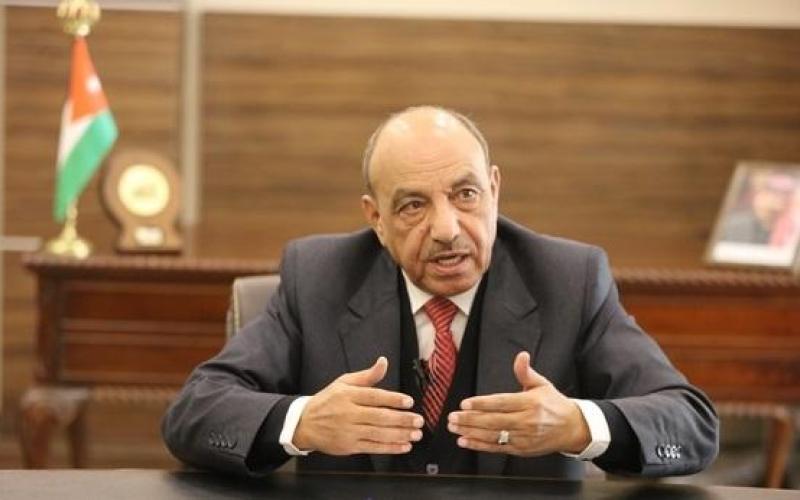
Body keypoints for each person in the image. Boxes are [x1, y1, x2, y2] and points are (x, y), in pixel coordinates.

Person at [162, 106, 718, 478]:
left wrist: (577, 425)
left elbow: (691, 423)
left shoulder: (569, 279)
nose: (448, 229)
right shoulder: (319, 277)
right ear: (376, 219)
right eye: (413, 205)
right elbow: (194, 411)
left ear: (494, 190)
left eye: (465, 194)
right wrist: (303, 421)